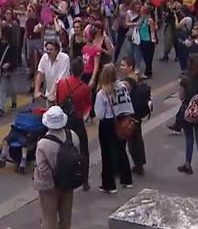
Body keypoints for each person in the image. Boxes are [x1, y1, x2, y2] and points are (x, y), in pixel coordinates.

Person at [32, 106, 79, 229]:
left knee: (49, 215)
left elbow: (42, 168)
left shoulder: (43, 144)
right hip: (69, 180)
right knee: (66, 212)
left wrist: (49, 183)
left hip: (49, 186)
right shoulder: (72, 135)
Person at [94, 64, 134, 193]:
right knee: (121, 150)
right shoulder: (123, 87)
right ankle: (126, 179)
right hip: (123, 120)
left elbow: (99, 114)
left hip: (108, 123)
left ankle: (109, 184)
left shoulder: (102, 93)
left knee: (107, 154)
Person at [56, 57, 92, 190]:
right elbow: (88, 106)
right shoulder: (85, 88)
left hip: (64, 120)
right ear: (82, 72)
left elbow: (58, 101)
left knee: (62, 148)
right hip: (77, 120)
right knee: (83, 150)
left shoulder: (61, 83)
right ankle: (84, 180)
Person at [177, 54, 198, 178]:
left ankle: (188, 164)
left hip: (187, 112)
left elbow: (181, 96)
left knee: (189, 139)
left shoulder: (185, 78)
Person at [119, 56, 149, 176]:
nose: (121, 68)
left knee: (129, 142)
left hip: (130, 114)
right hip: (139, 113)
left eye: (123, 65)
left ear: (130, 67)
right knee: (137, 139)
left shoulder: (127, 82)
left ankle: (132, 165)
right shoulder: (138, 77)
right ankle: (139, 164)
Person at [0, 25, 18, 116]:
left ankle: (13, 101)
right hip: (2, 70)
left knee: (13, 88)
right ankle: (1, 108)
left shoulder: (12, 45)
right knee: (3, 89)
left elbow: (15, 58)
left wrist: (10, 64)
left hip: (11, 69)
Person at [34, 40, 71, 106]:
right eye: (47, 49)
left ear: (57, 51)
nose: (48, 52)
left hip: (62, 92)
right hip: (49, 92)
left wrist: (52, 94)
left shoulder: (65, 58)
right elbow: (40, 73)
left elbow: (59, 79)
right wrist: (36, 90)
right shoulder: (44, 57)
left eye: (51, 50)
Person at [137, 5, 157, 78]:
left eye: (142, 11)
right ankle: (148, 71)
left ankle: (148, 72)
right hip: (142, 40)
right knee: (145, 57)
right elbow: (137, 27)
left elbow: (152, 31)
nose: (140, 12)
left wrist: (153, 40)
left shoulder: (150, 20)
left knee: (148, 57)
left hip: (148, 41)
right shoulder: (141, 19)